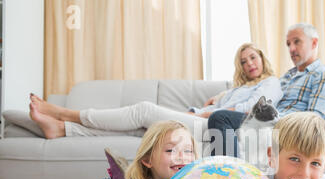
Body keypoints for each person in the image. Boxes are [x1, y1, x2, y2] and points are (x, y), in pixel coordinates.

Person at [28, 43, 283, 141]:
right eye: (244, 61)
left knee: (143, 110)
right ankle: (62, 129)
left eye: (253, 57)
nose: (249, 64)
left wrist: (212, 111)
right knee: (143, 130)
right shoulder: (235, 89)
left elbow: (253, 111)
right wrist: (211, 103)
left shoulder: (271, 82)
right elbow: (222, 104)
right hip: (201, 118)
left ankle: (64, 113)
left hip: (217, 129)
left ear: (261, 58)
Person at [207, 22, 325, 157]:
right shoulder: (288, 76)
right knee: (222, 117)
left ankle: (229, 174)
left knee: (220, 118)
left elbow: (316, 121)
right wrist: (220, 97)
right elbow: (261, 91)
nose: (291, 49)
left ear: (314, 43)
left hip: (283, 125)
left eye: (297, 42)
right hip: (266, 119)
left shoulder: (323, 74)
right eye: (288, 44)